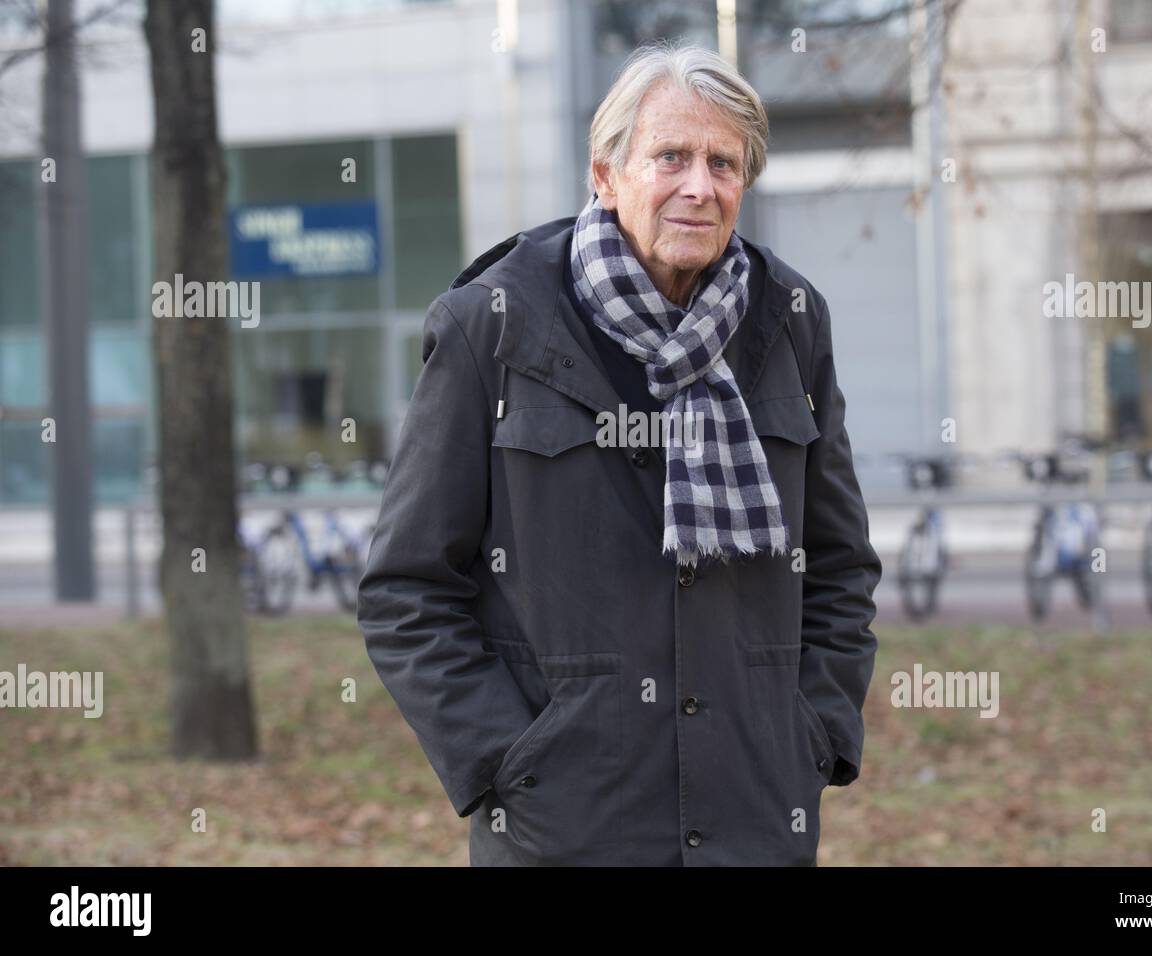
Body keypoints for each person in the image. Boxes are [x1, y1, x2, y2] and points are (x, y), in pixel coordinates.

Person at [356, 40, 881, 866]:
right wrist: (509, 762)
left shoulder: (790, 321)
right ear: (605, 173)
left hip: (753, 822)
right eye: (670, 156)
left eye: (723, 162)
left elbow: (841, 565)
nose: (699, 187)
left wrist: (810, 734)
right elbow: (406, 589)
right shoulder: (491, 326)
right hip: (565, 832)